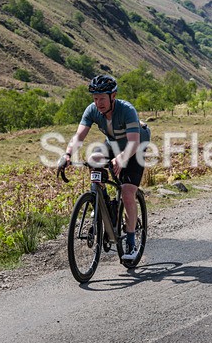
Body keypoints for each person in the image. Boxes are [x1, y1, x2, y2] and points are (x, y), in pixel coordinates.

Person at [59, 74, 151, 262]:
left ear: (113, 96)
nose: (98, 102)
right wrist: (67, 154)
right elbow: (79, 137)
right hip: (113, 143)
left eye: (102, 98)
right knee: (93, 159)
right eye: (95, 98)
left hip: (136, 145)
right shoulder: (92, 110)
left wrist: (121, 159)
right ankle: (100, 202)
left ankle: (131, 243)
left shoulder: (127, 110)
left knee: (127, 192)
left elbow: (133, 143)